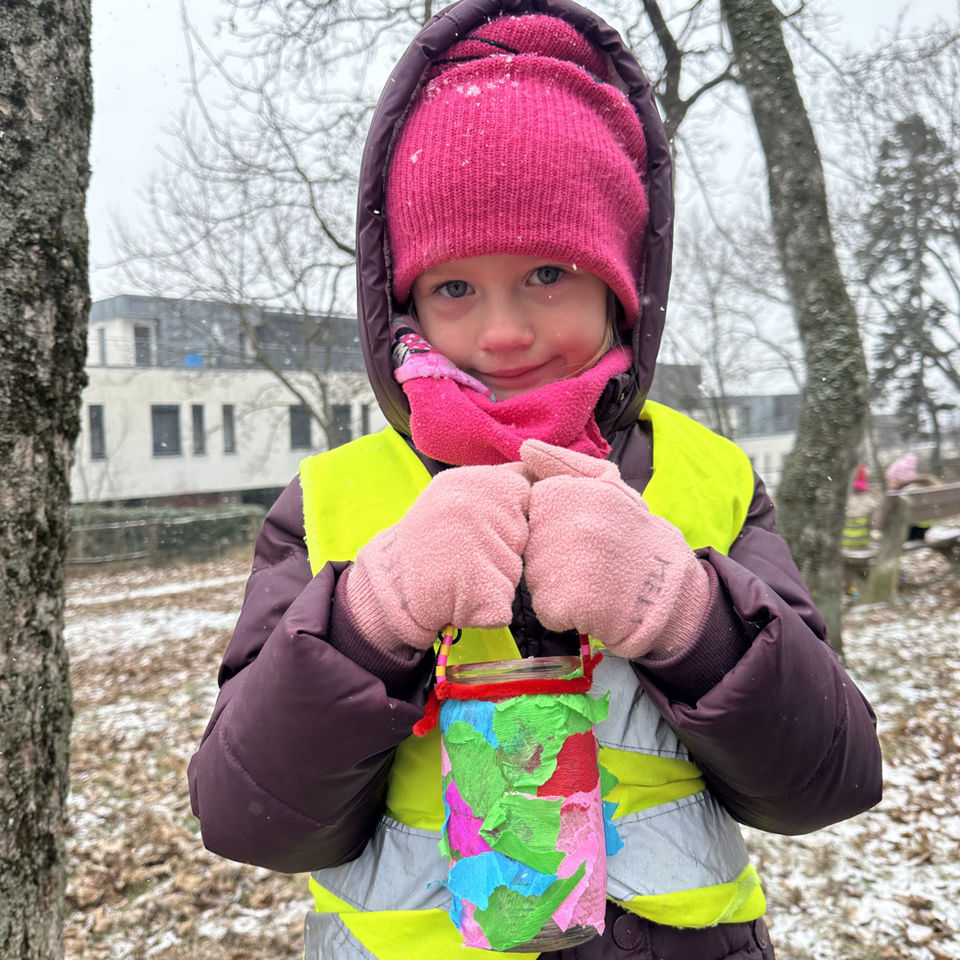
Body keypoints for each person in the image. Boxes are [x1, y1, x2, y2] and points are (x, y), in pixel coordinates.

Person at [187, 3, 883, 958]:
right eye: (455, 287)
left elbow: (827, 781)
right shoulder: (332, 502)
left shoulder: (706, 478)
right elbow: (247, 817)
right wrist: (369, 619)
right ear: (402, 301)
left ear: (620, 283)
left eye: (548, 272)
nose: (502, 331)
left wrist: (688, 614)